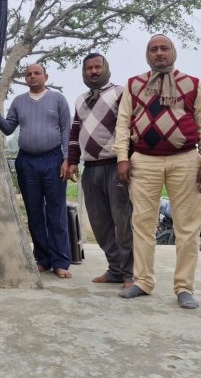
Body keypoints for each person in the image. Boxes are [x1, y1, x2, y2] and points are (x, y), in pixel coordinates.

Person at [114, 34, 201, 309]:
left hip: (185, 160)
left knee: (188, 227)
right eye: (153, 49)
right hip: (144, 161)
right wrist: (122, 157)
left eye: (164, 48)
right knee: (142, 224)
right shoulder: (134, 85)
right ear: (147, 55)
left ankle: (184, 287)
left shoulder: (192, 85)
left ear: (173, 52)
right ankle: (143, 281)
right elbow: (123, 124)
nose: (159, 53)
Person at [0, 63, 72, 278]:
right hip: (26, 161)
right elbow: (8, 128)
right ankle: (43, 258)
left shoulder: (57, 99)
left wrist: (67, 159)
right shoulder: (19, 101)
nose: (32, 76)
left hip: (53, 160)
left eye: (37, 73)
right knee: (34, 211)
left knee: (56, 211)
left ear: (46, 76)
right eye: (28, 74)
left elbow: (67, 130)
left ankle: (60, 262)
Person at [66, 53, 133, 288]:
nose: (93, 71)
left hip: (116, 165)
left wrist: (127, 159)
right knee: (99, 223)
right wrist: (72, 160)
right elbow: (75, 133)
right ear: (84, 72)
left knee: (122, 221)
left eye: (98, 67)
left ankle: (130, 273)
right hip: (90, 168)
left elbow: (129, 127)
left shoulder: (121, 93)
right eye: (89, 68)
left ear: (106, 68)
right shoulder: (80, 100)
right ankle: (115, 269)